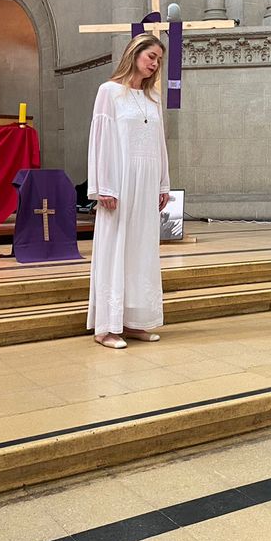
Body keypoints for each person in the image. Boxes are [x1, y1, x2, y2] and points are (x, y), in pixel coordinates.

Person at [87, 34, 171, 349]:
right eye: (151, 56)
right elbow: (101, 140)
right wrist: (103, 186)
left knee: (142, 252)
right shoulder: (109, 92)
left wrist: (163, 183)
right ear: (134, 54)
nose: (155, 64)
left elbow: (159, 144)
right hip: (120, 183)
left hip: (147, 184)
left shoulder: (153, 98)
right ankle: (106, 328)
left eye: (159, 60)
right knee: (116, 249)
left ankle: (134, 321)